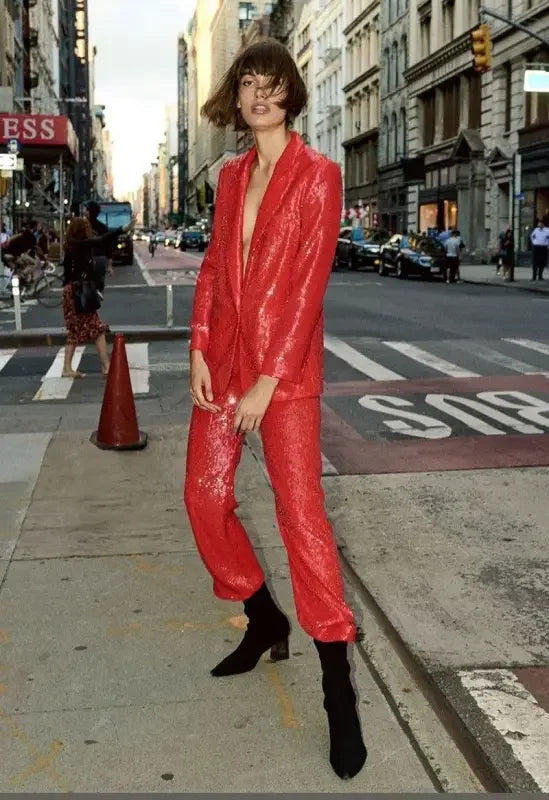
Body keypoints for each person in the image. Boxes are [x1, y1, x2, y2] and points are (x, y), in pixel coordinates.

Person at [184, 38, 367, 780]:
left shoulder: (318, 174)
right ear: (237, 98)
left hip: (282, 376)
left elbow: (308, 285)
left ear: (291, 94)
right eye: (247, 84)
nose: (259, 94)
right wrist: (200, 347)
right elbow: (214, 267)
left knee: (300, 517)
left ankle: (336, 686)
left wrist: (270, 378)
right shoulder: (231, 176)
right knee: (204, 498)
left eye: (271, 83)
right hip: (225, 363)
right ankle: (263, 616)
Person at [61, 216, 133, 378]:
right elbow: (103, 239)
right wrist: (123, 229)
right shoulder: (81, 245)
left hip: (71, 291)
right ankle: (105, 366)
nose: (89, 229)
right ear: (82, 230)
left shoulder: (71, 245)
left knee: (75, 331)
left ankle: (67, 368)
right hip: (79, 292)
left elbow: (67, 273)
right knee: (97, 329)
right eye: (86, 226)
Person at [85, 201, 113, 291]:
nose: (85, 212)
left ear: (89, 212)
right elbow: (108, 247)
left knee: (83, 282)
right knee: (99, 284)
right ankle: (98, 291)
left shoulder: (82, 226)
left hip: (86, 259)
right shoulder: (103, 227)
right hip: (100, 259)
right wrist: (110, 265)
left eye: (86, 210)